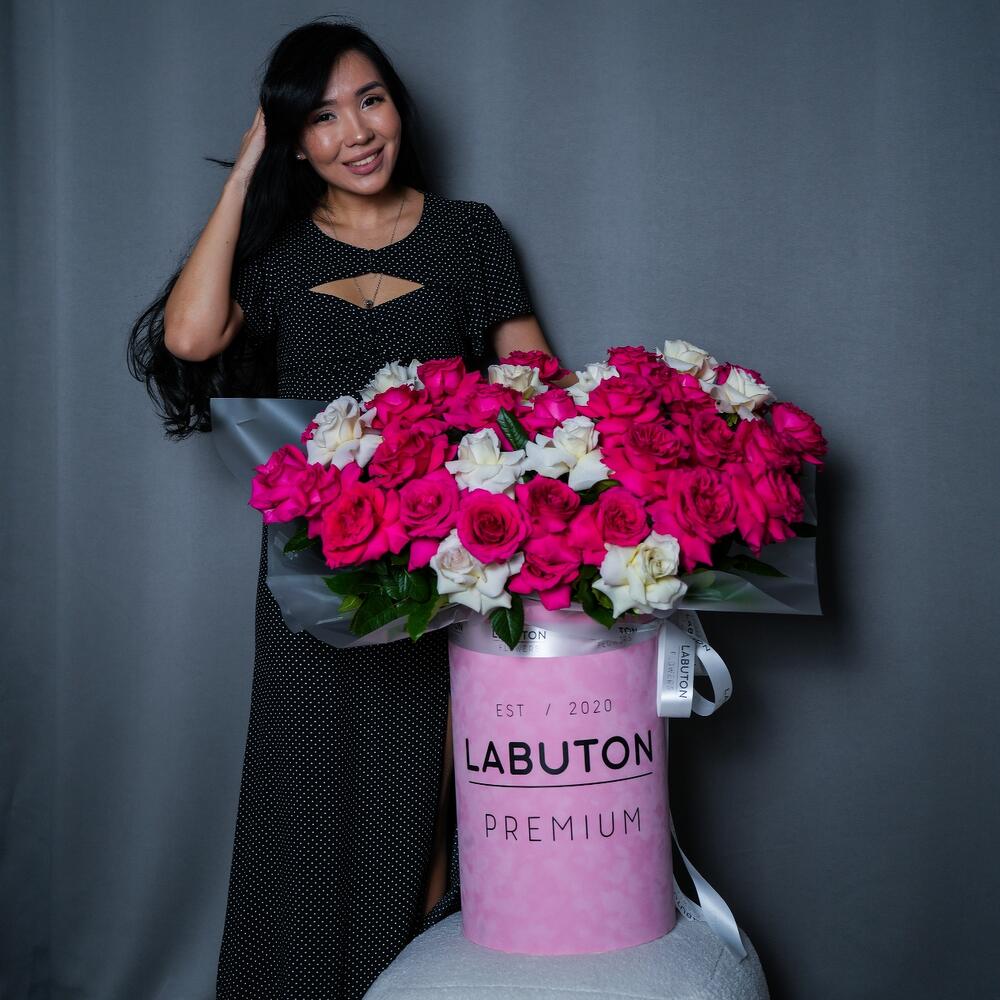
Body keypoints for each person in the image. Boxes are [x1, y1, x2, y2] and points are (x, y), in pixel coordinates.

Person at [127, 16, 574, 1000]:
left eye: (371, 101)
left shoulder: (469, 234)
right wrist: (246, 171)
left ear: (398, 108)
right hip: (314, 580)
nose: (357, 132)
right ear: (293, 140)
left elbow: (537, 385)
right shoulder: (275, 255)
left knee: (424, 810)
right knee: (306, 806)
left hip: (445, 574)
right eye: (322, 117)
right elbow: (192, 338)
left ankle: (404, 986)